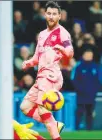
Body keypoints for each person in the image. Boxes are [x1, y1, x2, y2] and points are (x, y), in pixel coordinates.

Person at [20, 1, 74, 140]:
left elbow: (70, 51)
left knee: (42, 109)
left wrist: (64, 50)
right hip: (41, 76)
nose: (51, 16)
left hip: (51, 76)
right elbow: (37, 57)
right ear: (45, 14)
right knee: (25, 107)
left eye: (54, 14)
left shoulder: (63, 33)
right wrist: (28, 63)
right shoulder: (42, 35)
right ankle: (54, 124)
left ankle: (56, 134)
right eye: (49, 13)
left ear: (59, 16)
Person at [70, 49, 101, 130]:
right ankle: (76, 130)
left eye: (90, 54)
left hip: (91, 96)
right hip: (81, 96)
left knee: (90, 114)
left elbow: (98, 80)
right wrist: (80, 90)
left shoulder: (95, 67)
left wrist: (94, 91)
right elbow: (74, 80)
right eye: (87, 54)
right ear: (83, 55)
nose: (89, 56)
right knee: (79, 113)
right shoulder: (78, 67)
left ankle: (89, 131)